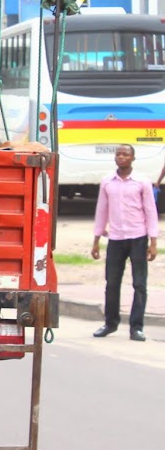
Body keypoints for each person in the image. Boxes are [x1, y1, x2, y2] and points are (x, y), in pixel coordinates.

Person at [92, 145, 156, 342]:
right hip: (116, 239)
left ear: (133, 158)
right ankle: (110, 323)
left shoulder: (142, 182)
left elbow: (150, 212)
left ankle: (136, 327)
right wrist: (96, 240)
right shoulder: (107, 182)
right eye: (118, 154)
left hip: (138, 237)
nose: (121, 157)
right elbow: (101, 210)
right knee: (111, 283)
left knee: (139, 284)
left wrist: (153, 242)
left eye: (126, 154)